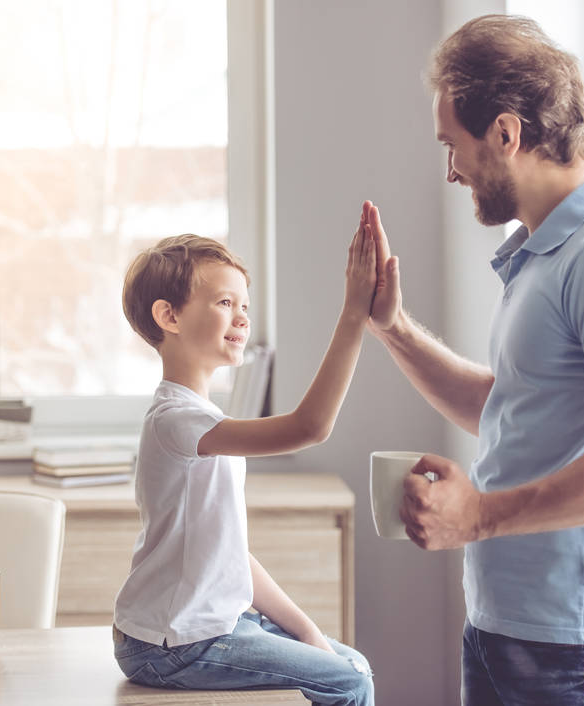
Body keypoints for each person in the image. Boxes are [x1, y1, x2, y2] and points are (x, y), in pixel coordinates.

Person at [363, 14, 584, 706]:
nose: (449, 170)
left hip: (576, 650)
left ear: (506, 134)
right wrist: (392, 328)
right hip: (508, 629)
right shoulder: (547, 254)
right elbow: (511, 411)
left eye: (452, 146)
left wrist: (478, 516)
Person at [113, 230, 376, 705]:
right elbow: (310, 427)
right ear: (168, 315)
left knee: (354, 666)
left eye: (245, 306)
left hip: (207, 627)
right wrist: (354, 314)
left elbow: (229, 556)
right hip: (174, 646)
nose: (242, 318)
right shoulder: (179, 420)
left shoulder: (202, 420)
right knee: (348, 683)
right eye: (224, 302)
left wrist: (308, 630)